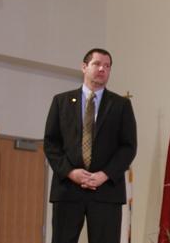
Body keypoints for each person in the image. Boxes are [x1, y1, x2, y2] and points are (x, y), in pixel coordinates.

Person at [44, 48, 137, 243]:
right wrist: (70, 172)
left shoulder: (121, 105)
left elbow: (128, 147)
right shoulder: (61, 101)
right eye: (97, 64)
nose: (102, 69)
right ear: (84, 67)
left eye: (107, 66)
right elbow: (51, 144)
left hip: (106, 191)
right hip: (68, 189)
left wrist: (105, 175)